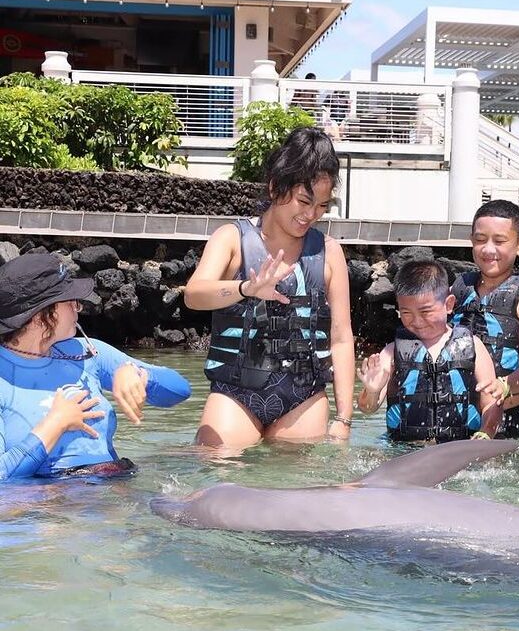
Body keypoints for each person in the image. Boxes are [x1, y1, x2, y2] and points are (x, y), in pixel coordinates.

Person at [184, 127, 355, 449]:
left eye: (322, 206)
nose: (311, 215)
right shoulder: (231, 238)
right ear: (276, 187)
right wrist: (246, 288)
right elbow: (194, 295)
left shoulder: (329, 252)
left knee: (292, 477)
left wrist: (344, 419)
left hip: (304, 397)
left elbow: (341, 336)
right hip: (235, 393)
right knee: (215, 463)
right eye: (304, 201)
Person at [0, 253, 191, 480]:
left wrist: (137, 373)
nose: (78, 307)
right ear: (40, 317)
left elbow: (180, 389)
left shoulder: (87, 352)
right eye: (70, 302)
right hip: (49, 497)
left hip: (113, 486)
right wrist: (56, 424)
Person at [356, 260, 502, 443]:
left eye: (425, 312)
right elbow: (367, 408)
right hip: (404, 448)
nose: (417, 321)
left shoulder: (473, 346)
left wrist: (485, 433)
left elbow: (492, 403)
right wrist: (371, 391)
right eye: (406, 313)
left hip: (460, 447)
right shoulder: (391, 352)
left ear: (449, 304)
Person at [450, 200, 519, 438]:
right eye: (480, 240)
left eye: (499, 241)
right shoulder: (457, 291)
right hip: (457, 416)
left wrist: (505, 385)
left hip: (507, 421)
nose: (488, 249)